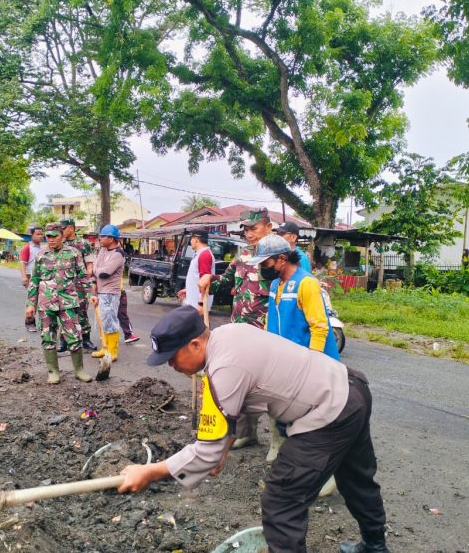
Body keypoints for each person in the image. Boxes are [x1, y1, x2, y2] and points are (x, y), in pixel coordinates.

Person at [118, 306, 390, 553]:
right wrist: (223, 446)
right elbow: (241, 406)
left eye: (172, 357)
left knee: (281, 500)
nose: (171, 365)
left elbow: (206, 453)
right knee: (356, 478)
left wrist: (149, 471)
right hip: (350, 387)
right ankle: (375, 546)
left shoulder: (223, 369)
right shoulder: (228, 333)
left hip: (329, 411)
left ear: (195, 344)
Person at [250, 234, 341, 470]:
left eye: (265, 263)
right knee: (285, 414)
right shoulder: (275, 284)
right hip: (286, 364)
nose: (262, 268)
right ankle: (289, 458)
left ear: (281, 259)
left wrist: (313, 363)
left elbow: (319, 327)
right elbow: (274, 321)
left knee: (312, 422)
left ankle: (322, 473)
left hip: (310, 363)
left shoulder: (306, 283)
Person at [198, 208, 272, 451]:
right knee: (243, 381)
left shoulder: (279, 257)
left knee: (269, 385)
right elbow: (225, 281)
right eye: (247, 230)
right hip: (239, 329)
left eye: (254, 228)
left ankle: (279, 443)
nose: (249, 234)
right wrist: (210, 278)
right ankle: (247, 432)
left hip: (265, 331)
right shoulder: (243, 256)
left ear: (268, 227)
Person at [26, 223, 92, 383]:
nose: (51, 239)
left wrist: (91, 294)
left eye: (54, 236)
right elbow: (34, 281)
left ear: (62, 236)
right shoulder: (41, 255)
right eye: (48, 236)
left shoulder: (73, 253)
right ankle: (53, 372)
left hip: (68, 302)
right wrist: (30, 304)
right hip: (46, 304)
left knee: (75, 336)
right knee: (48, 337)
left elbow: (83, 276)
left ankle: (79, 370)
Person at [61, 218, 99, 351]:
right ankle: (64, 341)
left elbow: (89, 263)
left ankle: (86, 340)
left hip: (79, 283)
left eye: (63, 228)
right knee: (64, 311)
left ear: (71, 228)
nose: (61, 231)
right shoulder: (61, 243)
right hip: (64, 283)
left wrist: (88, 277)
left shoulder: (83, 243)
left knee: (82, 311)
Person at [90, 224, 125, 365]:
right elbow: (96, 269)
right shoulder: (103, 250)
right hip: (100, 291)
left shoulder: (118, 254)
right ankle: (105, 348)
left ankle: (112, 352)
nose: (101, 238)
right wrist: (95, 272)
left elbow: (105, 273)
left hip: (110, 292)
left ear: (111, 239)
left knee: (110, 322)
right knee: (101, 322)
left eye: (103, 236)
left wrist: (95, 269)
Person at [177, 229, 215, 309]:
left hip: (197, 305)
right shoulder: (200, 254)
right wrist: (189, 290)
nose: (190, 241)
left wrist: (201, 304)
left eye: (191, 239)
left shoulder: (204, 255)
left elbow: (205, 282)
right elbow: (197, 278)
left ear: (196, 239)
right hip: (194, 302)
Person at [20, 226, 44, 332]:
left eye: (41, 234)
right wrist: (24, 276)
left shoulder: (43, 248)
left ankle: (44, 323)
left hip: (42, 277)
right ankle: (29, 322)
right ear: (32, 235)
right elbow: (23, 263)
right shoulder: (27, 247)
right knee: (32, 301)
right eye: (37, 234)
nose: (40, 236)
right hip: (31, 277)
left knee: (44, 300)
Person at [115, 244, 140, 344]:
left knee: (118, 314)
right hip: (116, 291)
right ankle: (128, 334)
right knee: (121, 313)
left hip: (114, 290)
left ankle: (128, 334)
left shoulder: (109, 255)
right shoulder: (115, 255)